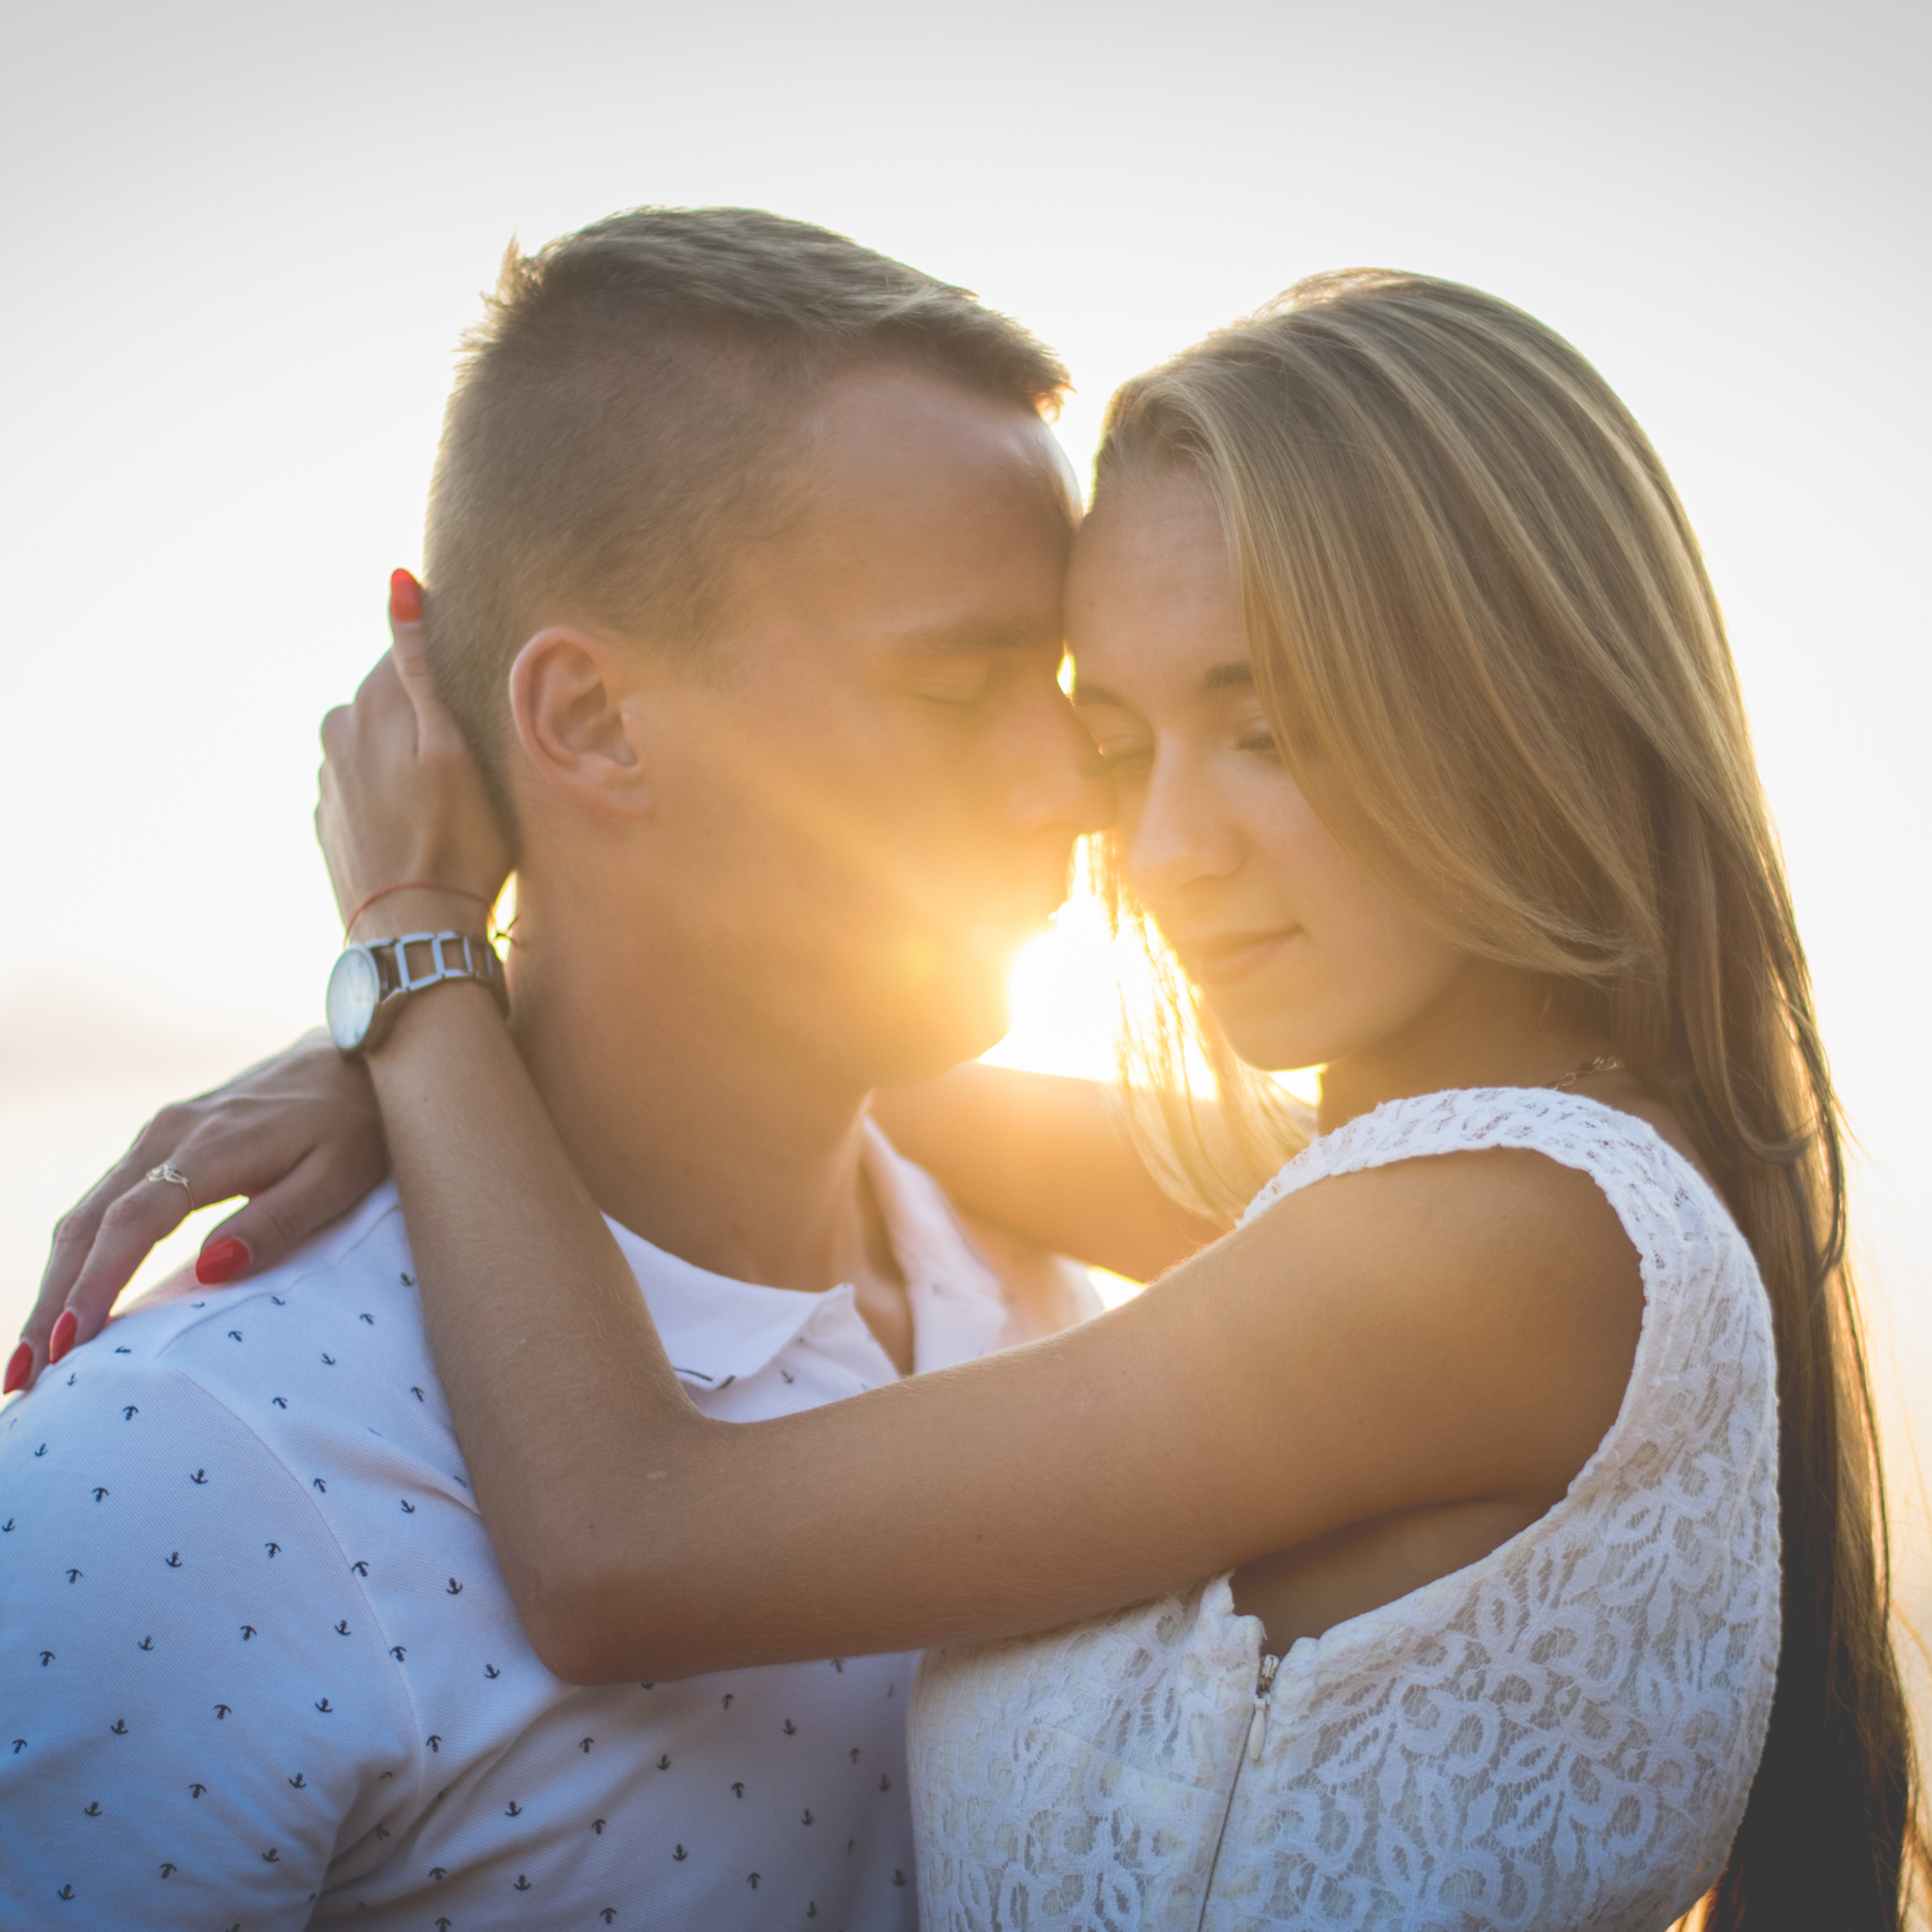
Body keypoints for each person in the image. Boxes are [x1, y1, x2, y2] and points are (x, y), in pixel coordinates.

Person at [77, 269, 1930, 1929]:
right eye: (1118, 735)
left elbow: (624, 1536)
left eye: (1270, 721)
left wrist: (411, 945)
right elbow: (836, 1084)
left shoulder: (1493, 1247)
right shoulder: (1434, 1197)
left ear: (1516, 690)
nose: (1142, 834)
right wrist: (420, 1035)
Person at [0, 205, 1152, 1929]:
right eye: (955, 685)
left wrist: (402, 992)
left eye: (1056, 685)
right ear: (592, 722)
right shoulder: (192, 1467)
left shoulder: (1054, 1297)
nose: (1069, 784)